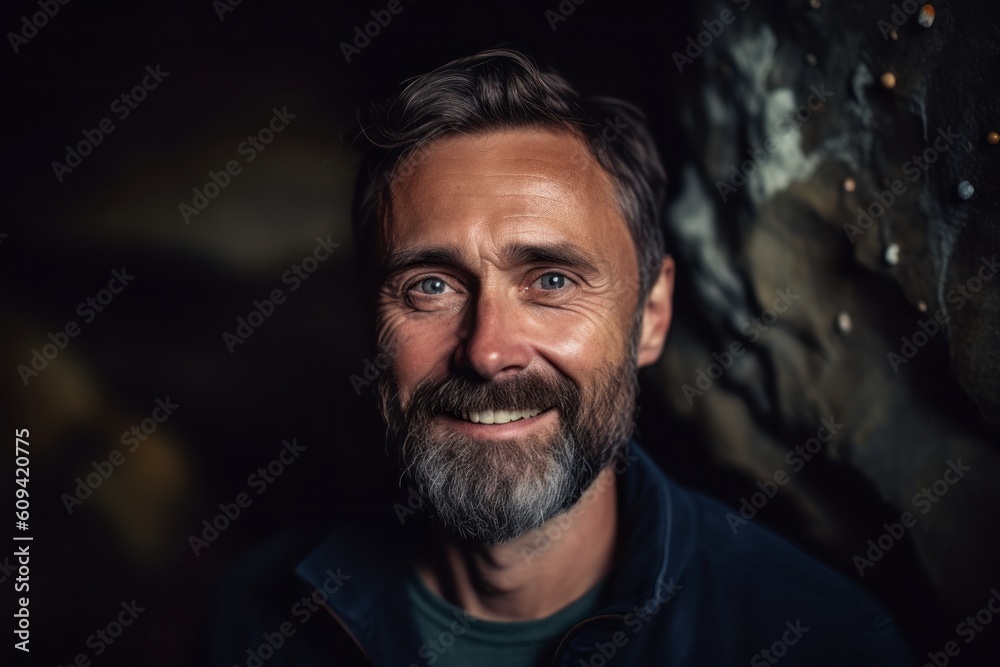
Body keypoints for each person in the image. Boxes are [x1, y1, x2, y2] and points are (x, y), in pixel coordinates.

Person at [210, 48, 914, 666]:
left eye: (551, 280)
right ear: (370, 320)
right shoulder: (261, 617)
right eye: (431, 285)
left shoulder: (822, 641)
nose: (488, 351)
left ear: (651, 316)